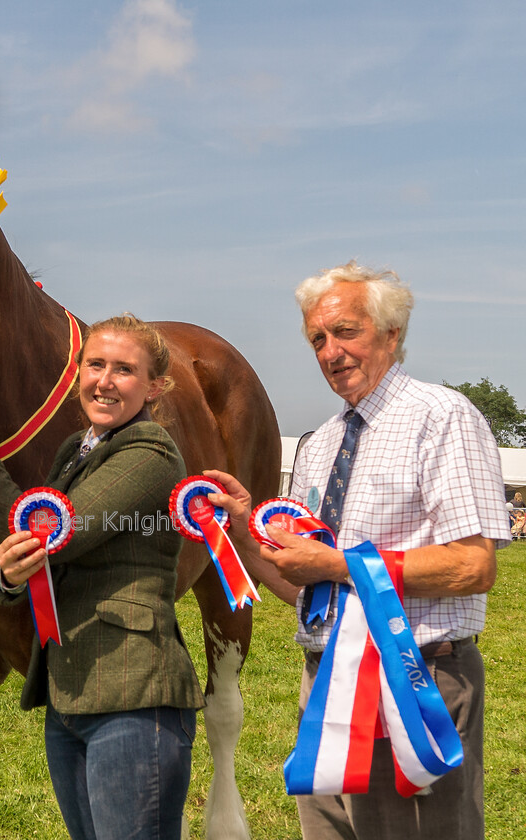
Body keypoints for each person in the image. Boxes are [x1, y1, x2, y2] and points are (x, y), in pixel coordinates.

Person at [208, 261, 509, 840]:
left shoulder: (442, 418)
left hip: (415, 681)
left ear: (392, 334)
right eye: (318, 339)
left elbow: (474, 565)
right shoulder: (319, 446)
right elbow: (305, 590)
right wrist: (246, 532)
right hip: (325, 688)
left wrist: (336, 564)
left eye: (346, 331)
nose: (330, 351)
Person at [0, 314, 204, 840]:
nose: (104, 380)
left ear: (155, 386)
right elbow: (34, 553)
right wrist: (10, 576)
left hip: (133, 693)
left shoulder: (150, 451)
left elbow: (61, 536)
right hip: (70, 692)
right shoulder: (74, 450)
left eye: (124, 370)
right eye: (95, 364)